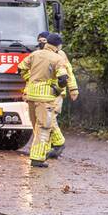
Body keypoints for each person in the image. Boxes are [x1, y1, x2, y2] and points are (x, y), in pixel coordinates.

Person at [17, 32, 71, 168]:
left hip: (31, 95)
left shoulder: (35, 54)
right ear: (58, 46)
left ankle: (58, 143)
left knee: (36, 125)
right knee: (44, 127)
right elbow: (63, 79)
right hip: (45, 98)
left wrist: (30, 79)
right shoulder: (57, 58)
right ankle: (38, 158)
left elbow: (20, 68)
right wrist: (57, 88)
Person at [47, 39, 78, 159]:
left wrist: (73, 89)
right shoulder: (41, 53)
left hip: (57, 92)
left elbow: (68, 73)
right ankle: (50, 146)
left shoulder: (60, 55)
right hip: (46, 92)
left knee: (50, 117)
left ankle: (58, 143)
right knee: (45, 119)